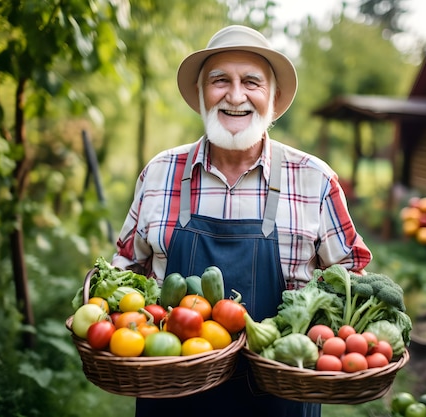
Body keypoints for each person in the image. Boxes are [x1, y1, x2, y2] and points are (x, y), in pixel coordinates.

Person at [112, 25, 372, 417]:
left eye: (252, 82)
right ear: (202, 94)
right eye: (220, 81)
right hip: (170, 391)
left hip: (282, 395)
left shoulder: (314, 178)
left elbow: (352, 281)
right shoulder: (160, 173)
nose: (235, 96)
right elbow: (126, 270)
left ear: (274, 97)